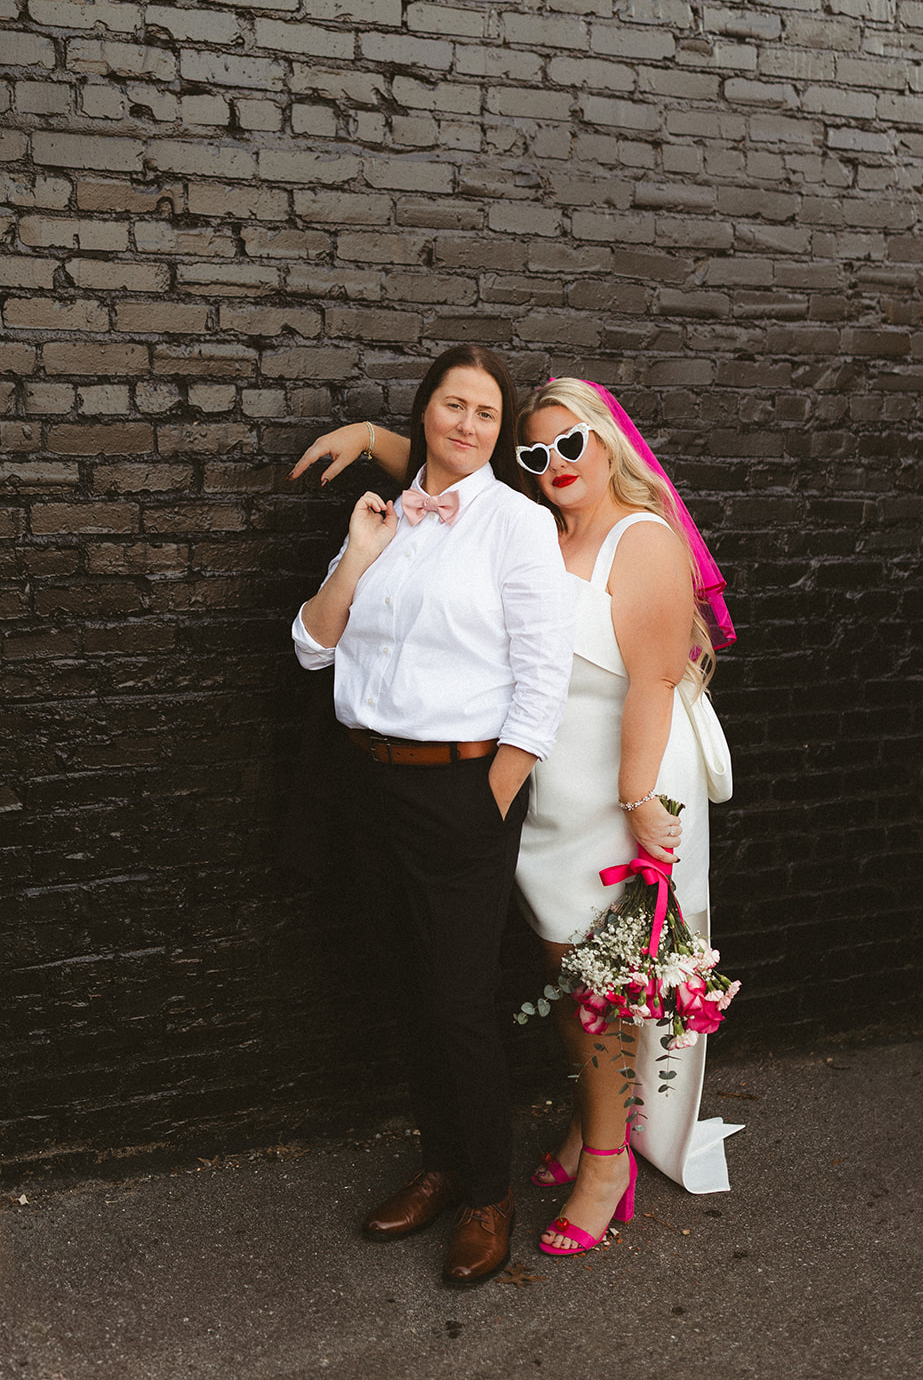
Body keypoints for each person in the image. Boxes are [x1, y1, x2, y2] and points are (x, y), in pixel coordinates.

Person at [290, 375, 735, 1260]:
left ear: (609, 442)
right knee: (569, 972)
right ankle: (587, 1123)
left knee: (602, 985)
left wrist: (641, 802)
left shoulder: (639, 541)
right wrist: (373, 435)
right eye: (538, 453)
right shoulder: (542, 523)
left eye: (571, 444)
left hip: (622, 782)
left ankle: (608, 1161)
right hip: (549, 786)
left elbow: (650, 682)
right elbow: (455, 457)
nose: (555, 464)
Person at [290, 346, 572, 1285]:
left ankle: (489, 1195)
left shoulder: (518, 529)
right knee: (408, 990)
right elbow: (310, 647)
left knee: (456, 1002)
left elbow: (543, 680)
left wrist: (490, 798)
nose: (467, 425)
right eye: (453, 406)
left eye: (486, 414)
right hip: (371, 786)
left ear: (498, 432)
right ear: (423, 416)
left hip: (461, 791)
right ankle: (442, 1166)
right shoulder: (384, 517)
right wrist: (361, 556)